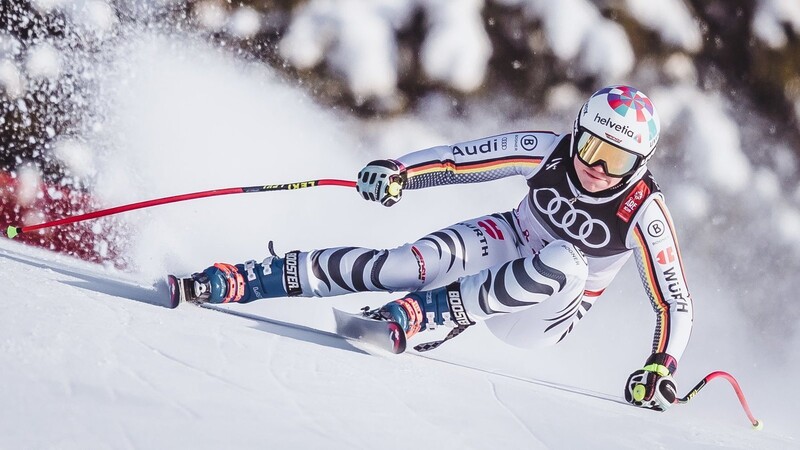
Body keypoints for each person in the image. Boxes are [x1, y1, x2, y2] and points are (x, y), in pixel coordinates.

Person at [187, 85, 693, 412]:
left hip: (545, 314)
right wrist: (400, 172)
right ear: (577, 133)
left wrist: (659, 364)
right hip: (508, 242)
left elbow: (675, 301)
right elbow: (458, 160)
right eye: (591, 148)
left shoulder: (644, 211)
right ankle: (254, 277)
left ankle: (431, 316)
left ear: (641, 165)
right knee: (400, 264)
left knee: (566, 260)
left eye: (617, 161)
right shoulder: (547, 150)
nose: (597, 168)